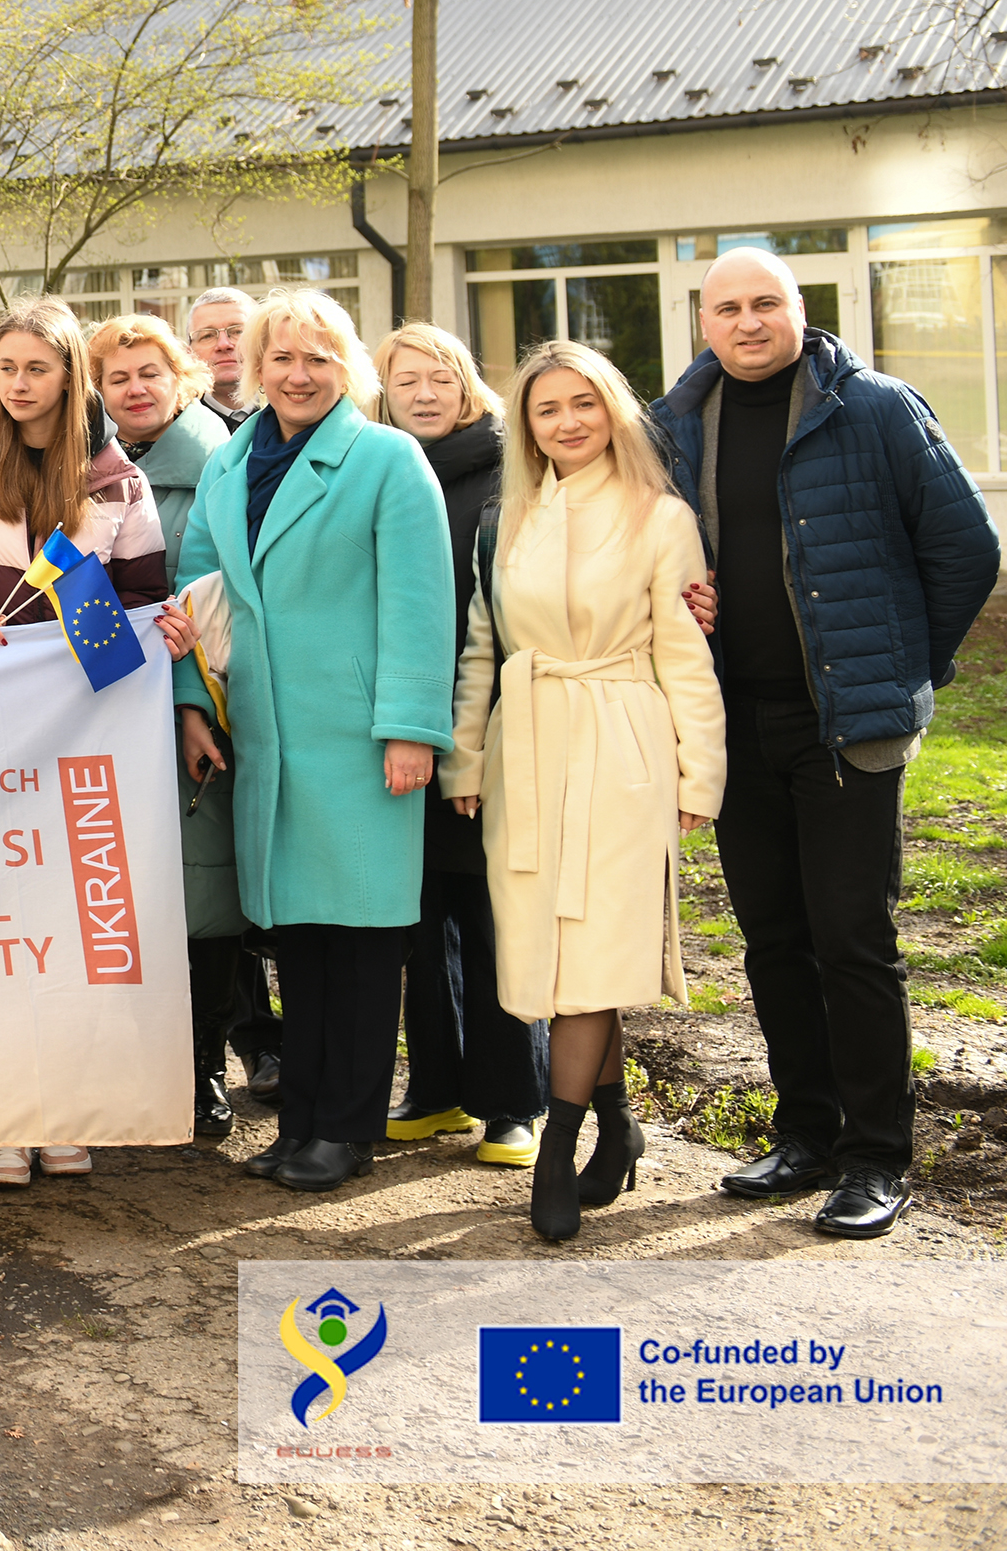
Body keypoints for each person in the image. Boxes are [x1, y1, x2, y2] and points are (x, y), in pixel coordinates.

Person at [656, 247, 1000, 1238]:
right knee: (771, 939)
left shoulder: (877, 408)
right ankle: (803, 1135)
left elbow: (963, 549)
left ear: (800, 311)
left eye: (765, 302)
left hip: (846, 726)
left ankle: (874, 1158)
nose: (747, 321)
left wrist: (902, 666)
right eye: (726, 307)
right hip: (735, 720)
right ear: (703, 322)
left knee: (852, 940)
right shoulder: (676, 423)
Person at [165, 287, 454, 1194]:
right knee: (297, 938)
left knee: (362, 941)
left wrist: (411, 729)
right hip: (265, 738)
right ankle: (301, 1120)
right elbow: (194, 589)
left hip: (358, 740)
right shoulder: (228, 464)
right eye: (281, 357)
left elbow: (420, 603)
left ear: (347, 367)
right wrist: (191, 704)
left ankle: (346, 1126)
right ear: (255, 368)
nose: (297, 373)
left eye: (317, 357)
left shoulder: (386, 459)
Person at [442, 339, 725, 1241]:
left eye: (584, 404)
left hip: (621, 741)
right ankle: (620, 1124)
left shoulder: (661, 516)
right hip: (526, 749)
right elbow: (483, 644)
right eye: (546, 408)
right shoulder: (507, 518)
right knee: (553, 953)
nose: (567, 422)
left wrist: (698, 772)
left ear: (613, 409)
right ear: (524, 423)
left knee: (592, 951)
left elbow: (686, 655)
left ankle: (557, 1148)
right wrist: (465, 757)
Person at [0, 301, 166, 1186]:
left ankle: (65, 1105)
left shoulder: (115, 482)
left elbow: (143, 595)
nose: (18, 385)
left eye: (37, 370)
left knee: (70, 922)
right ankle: (1, 1117)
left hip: (79, 729)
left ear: (69, 377)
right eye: (7, 369)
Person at [371, 322, 547, 1171]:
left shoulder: (513, 467)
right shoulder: (378, 466)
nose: (426, 393)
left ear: (469, 382)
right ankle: (435, 1087)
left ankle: (512, 1100)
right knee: (420, 914)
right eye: (407, 381)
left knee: (491, 913)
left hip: (494, 717)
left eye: (441, 376)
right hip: (400, 719)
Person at [88, 314, 239, 1139]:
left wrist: (187, 697)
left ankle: (204, 1067)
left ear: (180, 377)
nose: (136, 389)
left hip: (193, 703)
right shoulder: (87, 468)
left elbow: (209, 594)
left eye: (150, 372)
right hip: (108, 703)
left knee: (201, 894)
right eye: (118, 378)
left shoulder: (216, 460)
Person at [182, 286, 281, 1102]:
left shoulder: (250, 440)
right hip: (201, 697)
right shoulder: (216, 453)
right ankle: (231, 1042)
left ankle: (270, 1046)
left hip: (283, 690)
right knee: (212, 883)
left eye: (233, 333)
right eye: (205, 335)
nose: (221, 345)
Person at [186, 287, 255, 431]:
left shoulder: (287, 412)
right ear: (190, 352)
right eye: (207, 335)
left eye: (238, 331)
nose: (223, 344)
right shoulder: (176, 424)